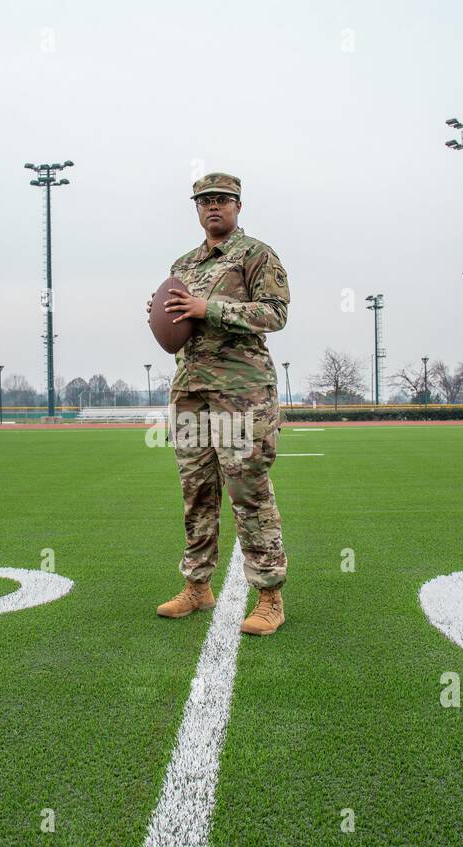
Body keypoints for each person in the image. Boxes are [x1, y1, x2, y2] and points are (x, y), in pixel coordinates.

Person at [145, 172, 289, 635]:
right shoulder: (183, 263)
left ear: (238, 206)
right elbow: (176, 320)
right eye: (204, 200)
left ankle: (269, 596)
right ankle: (197, 586)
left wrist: (211, 309)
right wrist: (162, 310)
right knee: (196, 491)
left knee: (247, 491)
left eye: (222, 200)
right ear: (197, 208)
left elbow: (275, 312)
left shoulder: (256, 254)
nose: (213, 207)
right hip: (190, 392)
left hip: (240, 393)